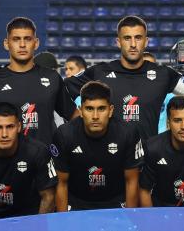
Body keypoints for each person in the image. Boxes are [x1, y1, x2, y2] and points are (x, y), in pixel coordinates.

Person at [65, 15, 184, 140]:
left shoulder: (163, 75)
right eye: (127, 38)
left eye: (138, 38)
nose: (133, 44)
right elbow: (62, 88)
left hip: (148, 160)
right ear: (118, 42)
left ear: (146, 41)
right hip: (110, 159)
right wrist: (80, 120)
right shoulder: (99, 72)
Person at [0, 17, 78, 144]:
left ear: (36, 43)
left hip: (47, 160)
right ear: (6, 43)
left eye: (27, 39)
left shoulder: (52, 77)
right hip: (6, 162)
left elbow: (74, 116)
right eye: (16, 39)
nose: (22, 45)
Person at [52, 81, 143, 211]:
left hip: (115, 202)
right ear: (81, 111)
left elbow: (132, 181)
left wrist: (130, 216)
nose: (95, 116)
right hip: (77, 202)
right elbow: (61, 183)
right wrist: (63, 220)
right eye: (89, 109)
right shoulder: (64, 135)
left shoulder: (127, 133)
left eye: (101, 109)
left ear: (110, 110)